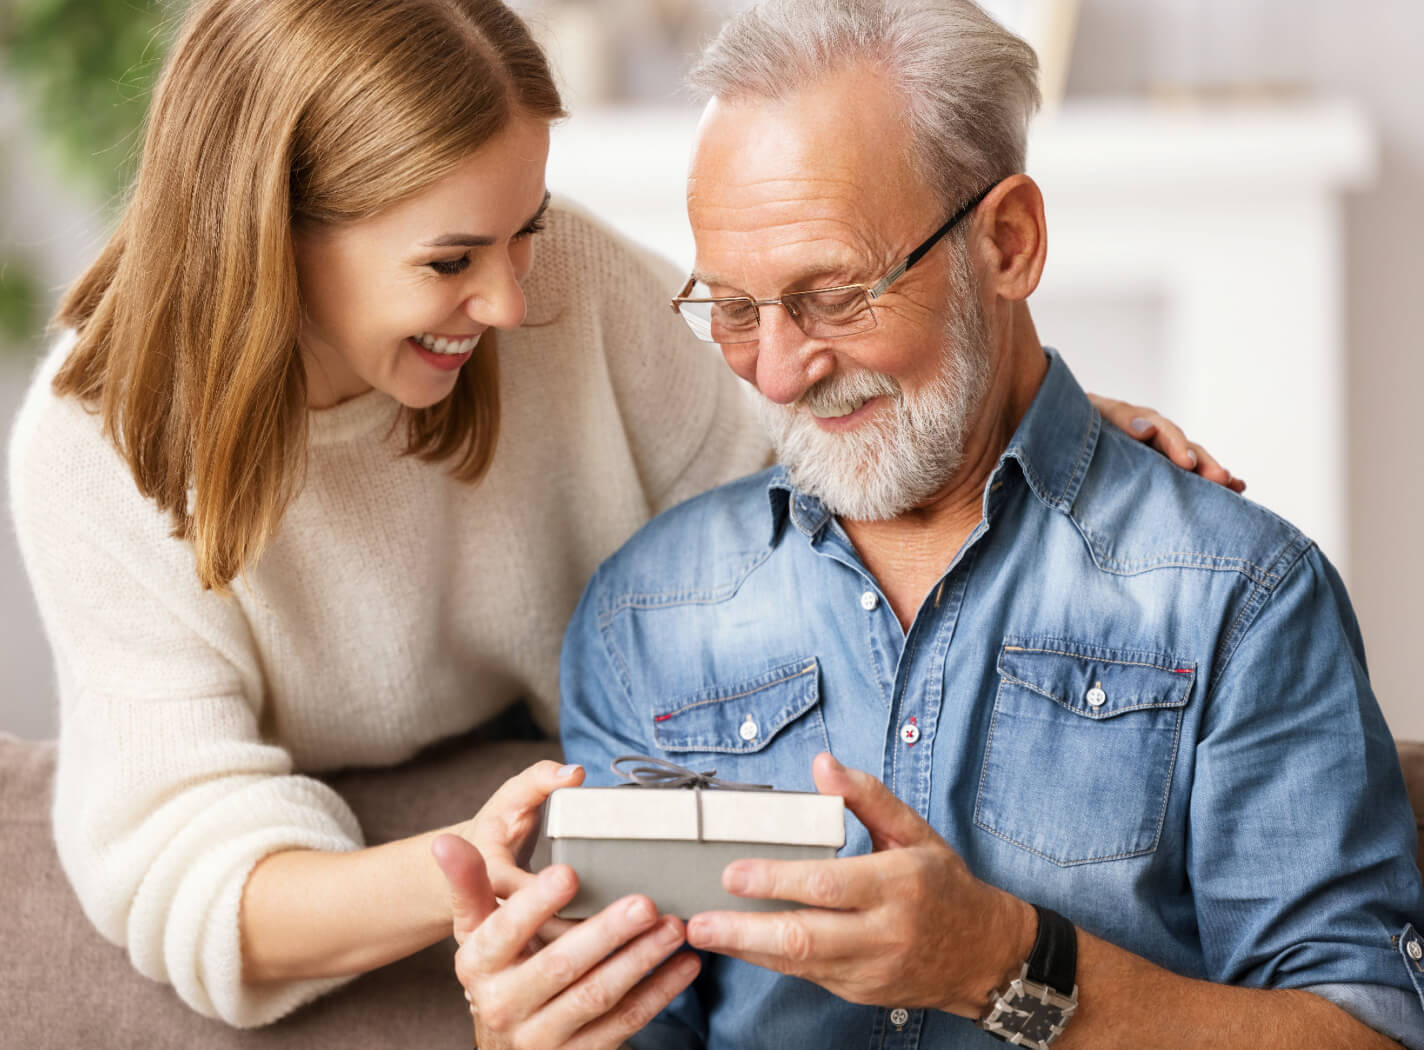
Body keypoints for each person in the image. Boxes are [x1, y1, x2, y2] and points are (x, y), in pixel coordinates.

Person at [8, 0, 1235, 1031]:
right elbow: (182, 859)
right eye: (448, 263)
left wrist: (1033, 414)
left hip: (585, 768)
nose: (505, 303)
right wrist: (501, 864)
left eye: (525, 231)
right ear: (271, 236)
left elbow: (800, 416)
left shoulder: (563, 290)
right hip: (428, 866)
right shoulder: (93, 446)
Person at [437, 1, 1424, 1049]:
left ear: (1008, 242)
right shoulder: (646, 612)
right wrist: (531, 1031)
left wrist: (1006, 964)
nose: (776, 371)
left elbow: (1363, 1032)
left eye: (834, 295)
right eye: (732, 307)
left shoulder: (1237, 595)